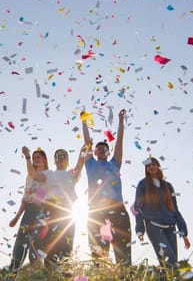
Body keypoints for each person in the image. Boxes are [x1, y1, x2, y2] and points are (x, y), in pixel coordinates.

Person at [24, 144, 91, 266]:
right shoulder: (49, 174)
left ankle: (58, 272)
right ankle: (35, 268)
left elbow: (79, 166)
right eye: (57, 156)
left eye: (63, 156)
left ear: (67, 160)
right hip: (49, 209)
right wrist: (28, 158)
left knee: (63, 245)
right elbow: (34, 175)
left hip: (66, 211)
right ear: (54, 160)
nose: (60, 158)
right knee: (38, 237)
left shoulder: (71, 174)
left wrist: (82, 152)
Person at [81, 108, 132, 266]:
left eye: (105, 148)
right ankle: (101, 274)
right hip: (97, 211)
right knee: (99, 249)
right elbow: (87, 141)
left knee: (122, 247)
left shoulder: (114, 164)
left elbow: (119, 143)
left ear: (108, 152)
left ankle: (125, 275)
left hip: (117, 208)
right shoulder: (90, 164)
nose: (101, 149)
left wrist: (121, 122)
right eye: (98, 148)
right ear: (95, 152)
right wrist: (84, 122)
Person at [134, 157, 191, 270]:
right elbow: (137, 207)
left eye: (154, 164)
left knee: (173, 263)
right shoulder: (143, 184)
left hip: (170, 227)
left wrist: (184, 233)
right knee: (169, 260)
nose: (151, 167)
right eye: (148, 165)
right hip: (154, 226)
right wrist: (140, 229)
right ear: (146, 169)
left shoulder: (168, 186)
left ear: (158, 166)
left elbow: (175, 209)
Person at [8, 148, 49, 271]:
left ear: (44, 160)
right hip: (29, 211)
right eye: (34, 157)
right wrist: (16, 218)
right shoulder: (29, 177)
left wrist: (36, 193)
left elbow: (43, 194)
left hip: (42, 211)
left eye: (38, 157)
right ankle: (13, 273)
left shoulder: (48, 174)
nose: (36, 160)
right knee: (21, 242)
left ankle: (38, 273)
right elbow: (25, 198)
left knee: (36, 243)